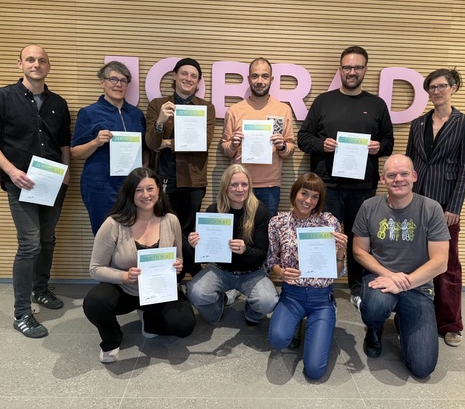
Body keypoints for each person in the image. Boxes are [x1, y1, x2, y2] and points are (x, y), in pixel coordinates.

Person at [0, 44, 70, 338]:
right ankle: (21, 313)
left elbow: (64, 142)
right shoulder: (0, 98)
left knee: (47, 239)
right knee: (29, 244)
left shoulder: (58, 103)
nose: (36, 64)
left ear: (49, 67)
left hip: (53, 183)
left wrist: (66, 174)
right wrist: (11, 171)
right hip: (21, 184)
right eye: (30, 59)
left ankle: (40, 290)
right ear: (19, 64)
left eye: (42, 60)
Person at [297, 45, 394, 309]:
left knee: (359, 240)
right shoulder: (323, 101)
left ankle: (356, 287)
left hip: (362, 188)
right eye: (347, 67)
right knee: (323, 237)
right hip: (326, 186)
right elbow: (302, 138)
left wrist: (378, 147)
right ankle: (319, 284)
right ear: (340, 69)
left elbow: (389, 142)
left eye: (357, 67)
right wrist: (321, 145)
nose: (352, 72)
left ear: (365, 70)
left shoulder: (377, 104)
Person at [82, 167, 196, 363]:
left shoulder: (171, 221)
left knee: (185, 325)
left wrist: (178, 265)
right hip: (124, 290)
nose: (146, 195)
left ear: (159, 190)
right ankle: (112, 339)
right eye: (139, 190)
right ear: (130, 193)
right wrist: (124, 276)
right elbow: (95, 268)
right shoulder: (113, 224)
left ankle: (150, 321)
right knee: (94, 303)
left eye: (150, 189)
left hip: (158, 291)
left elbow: (179, 257)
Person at [352, 154, 450, 378]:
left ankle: (401, 317)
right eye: (391, 175)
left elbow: (440, 262)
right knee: (375, 306)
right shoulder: (369, 207)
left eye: (404, 173)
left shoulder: (432, 209)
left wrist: (404, 284)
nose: (398, 179)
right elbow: (359, 250)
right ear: (383, 179)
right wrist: (390, 275)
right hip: (380, 278)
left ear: (414, 176)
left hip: (417, 285)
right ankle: (374, 327)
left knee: (422, 368)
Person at [405, 68, 465, 347]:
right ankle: (413, 315)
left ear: (453, 88)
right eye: (432, 87)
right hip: (418, 201)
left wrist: (455, 205)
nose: (436, 91)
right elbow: (410, 165)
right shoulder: (418, 123)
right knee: (414, 258)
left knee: (447, 265)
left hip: (446, 204)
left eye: (442, 86)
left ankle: (450, 324)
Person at [267, 172, 348, 381]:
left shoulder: (329, 222)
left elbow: (337, 271)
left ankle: (319, 325)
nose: (308, 201)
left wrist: (340, 252)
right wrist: (281, 272)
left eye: (314, 197)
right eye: (304, 193)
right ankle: (294, 325)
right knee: (277, 340)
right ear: (295, 193)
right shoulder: (278, 222)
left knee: (314, 370)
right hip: (291, 295)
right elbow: (271, 261)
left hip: (321, 298)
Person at [145, 57, 216, 282]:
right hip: (165, 177)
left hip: (194, 179)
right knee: (167, 230)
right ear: (174, 76)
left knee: (189, 230)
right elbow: (150, 143)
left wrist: (167, 143)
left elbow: (203, 143)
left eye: (194, 76)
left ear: (198, 82)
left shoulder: (206, 107)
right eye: (184, 74)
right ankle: (184, 276)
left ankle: (189, 273)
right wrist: (160, 122)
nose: (188, 78)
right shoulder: (158, 105)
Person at [186, 164, 278, 326]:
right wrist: (196, 245)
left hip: (252, 272)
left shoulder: (261, 212)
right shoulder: (213, 211)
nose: (239, 189)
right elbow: (203, 255)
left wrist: (245, 250)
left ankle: (252, 313)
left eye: (244, 184)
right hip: (221, 270)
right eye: (234, 184)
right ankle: (219, 306)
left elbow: (262, 256)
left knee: (268, 301)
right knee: (195, 293)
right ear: (225, 187)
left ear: (250, 186)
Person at [71, 61, 148, 235]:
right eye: (113, 79)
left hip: (131, 186)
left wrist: (144, 170)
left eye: (123, 81)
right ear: (102, 82)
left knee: (132, 236)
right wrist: (96, 142)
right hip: (100, 186)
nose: (118, 84)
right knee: (105, 236)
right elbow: (75, 152)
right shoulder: (89, 113)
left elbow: (144, 149)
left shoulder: (136, 114)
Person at [220, 57, 295, 214]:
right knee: (238, 233)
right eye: (255, 76)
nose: (259, 81)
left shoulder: (283, 110)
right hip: (239, 185)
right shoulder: (235, 110)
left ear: (271, 79)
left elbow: (290, 149)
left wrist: (282, 146)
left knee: (266, 234)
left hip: (270, 186)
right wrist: (233, 144)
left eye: (265, 76)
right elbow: (225, 149)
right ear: (248, 79)